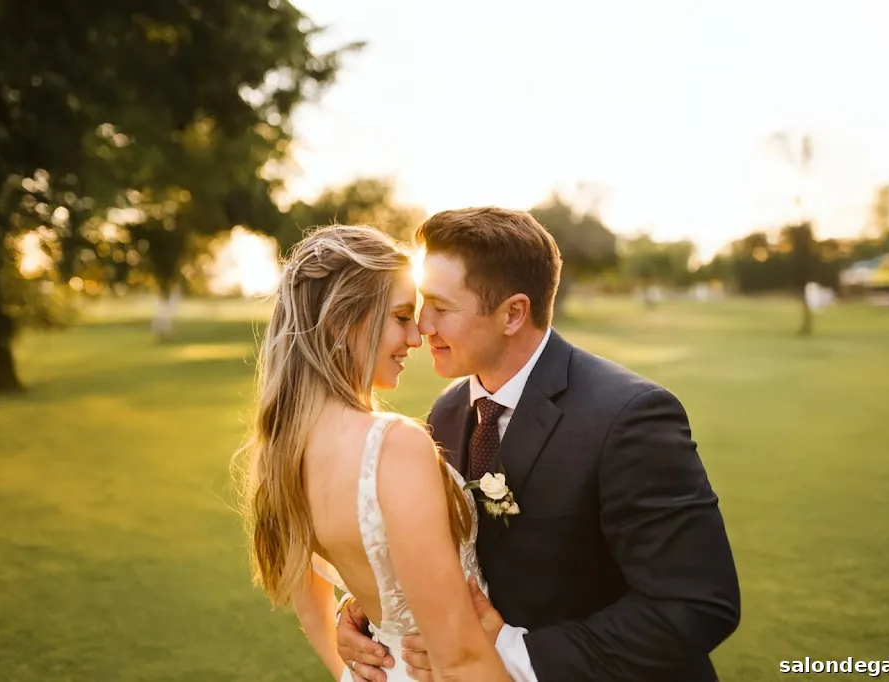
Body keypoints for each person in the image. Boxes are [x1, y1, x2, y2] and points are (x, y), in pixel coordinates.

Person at [336, 207, 741, 682]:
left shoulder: (629, 417)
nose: (422, 327)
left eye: (442, 309)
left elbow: (696, 604)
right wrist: (368, 615)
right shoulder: (445, 414)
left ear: (513, 313)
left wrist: (517, 655)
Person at [235, 225, 512, 682]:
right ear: (344, 321)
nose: (416, 337)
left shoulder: (284, 450)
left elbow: (313, 606)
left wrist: (349, 672)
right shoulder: (394, 446)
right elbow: (459, 656)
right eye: (402, 317)